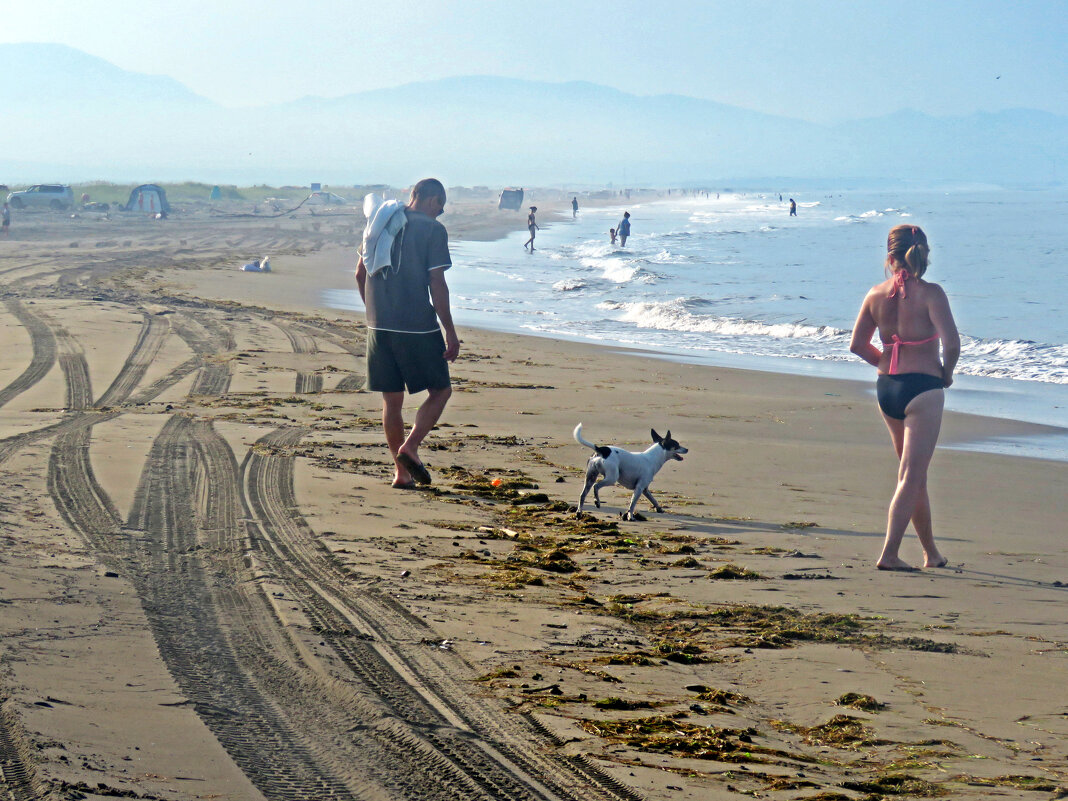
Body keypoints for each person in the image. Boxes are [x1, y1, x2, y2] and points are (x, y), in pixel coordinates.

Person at [849, 224, 960, 572]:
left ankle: (931, 553)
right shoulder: (932, 293)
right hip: (923, 389)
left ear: (890, 255)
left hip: (888, 388)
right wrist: (947, 373)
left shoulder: (875, 294)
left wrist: (883, 360)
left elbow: (856, 345)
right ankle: (890, 554)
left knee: (914, 475)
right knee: (911, 476)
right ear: (923, 253)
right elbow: (952, 344)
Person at [355, 178, 459, 489]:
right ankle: (410, 447)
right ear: (432, 201)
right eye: (440, 207)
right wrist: (450, 332)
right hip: (416, 325)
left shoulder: (379, 221)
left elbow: (360, 273)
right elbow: (436, 284)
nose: (440, 214)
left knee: (392, 400)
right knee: (441, 390)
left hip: (379, 324)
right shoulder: (432, 229)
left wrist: (373, 311)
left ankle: (400, 474)